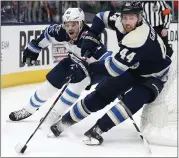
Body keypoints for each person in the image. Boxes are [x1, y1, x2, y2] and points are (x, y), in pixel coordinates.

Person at [49, 1, 172, 145]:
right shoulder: (120, 21)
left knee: (132, 101)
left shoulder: (139, 38)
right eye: (125, 17)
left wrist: (87, 69)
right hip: (133, 67)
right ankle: (64, 122)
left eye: (131, 18)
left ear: (139, 18)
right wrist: (91, 36)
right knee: (102, 93)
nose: (127, 22)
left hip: (155, 75)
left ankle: (98, 129)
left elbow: (113, 69)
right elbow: (100, 17)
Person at [9, 8, 108, 124]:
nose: (70, 28)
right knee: (52, 81)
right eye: (67, 24)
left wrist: (112, 79)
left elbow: (106, 60)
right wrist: (35, 48)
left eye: (74, 24)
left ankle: (55, 113)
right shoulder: (60, 31)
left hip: (93, 69)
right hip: (74, 60)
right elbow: (47, 34)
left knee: (78, 84)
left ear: (82, 23)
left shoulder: (90, 39)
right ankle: (28, 109)